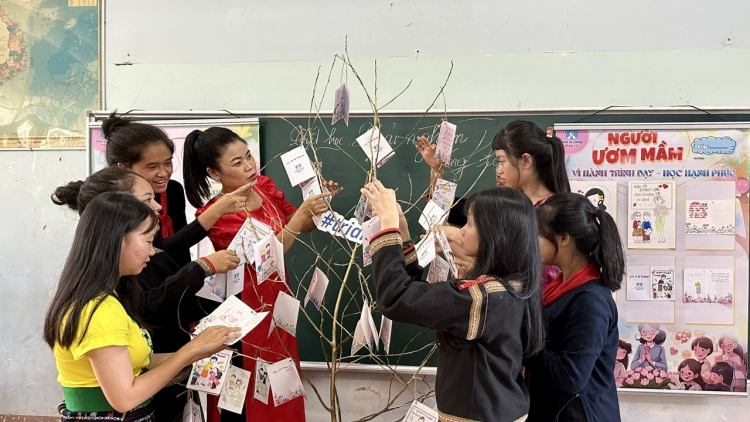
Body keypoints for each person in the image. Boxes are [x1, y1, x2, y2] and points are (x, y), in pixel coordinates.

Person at [51, 167, 241, 422]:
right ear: (117, 239)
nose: (152, 253)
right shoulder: (98, 310)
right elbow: (125, 398)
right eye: (149, 242)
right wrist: (191, 351)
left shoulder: (111, 298)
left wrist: (201, 351)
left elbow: (139, 361)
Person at [183, 126, 339, 422]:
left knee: (282, 384)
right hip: (244, 312)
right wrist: (303, 215)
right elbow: (264, 256)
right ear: (214, 173)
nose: (249, 166)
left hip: (277, 305)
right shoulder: (216, 213)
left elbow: (300, 224)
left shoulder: (265, 187)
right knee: (247, 391)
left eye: (248, 156)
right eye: (237, 163)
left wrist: (317, 208)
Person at [361, 181, 545, 421]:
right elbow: (416, 295)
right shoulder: (510, 287)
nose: (462, 231)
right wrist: (404, 239)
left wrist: (388, 227)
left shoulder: (481, 297)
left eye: (469, 223)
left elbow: (396, 298)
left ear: (493, 234)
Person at [416, 120, 569, 284]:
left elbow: (513, 263)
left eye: (502, 161)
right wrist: (437, 171)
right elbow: (446, 208)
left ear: (526, 161)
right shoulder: (513, 206)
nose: (498, 171)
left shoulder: (548, 212)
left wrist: (452, 234)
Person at [102, 113, 253, 267]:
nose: (164, 172)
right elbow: (157, 250)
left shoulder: (173, 190)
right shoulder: (115, 208)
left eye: (167, 163)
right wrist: (215, 212)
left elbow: (181, 248)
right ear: (124, 168)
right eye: (152, 167)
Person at [525, 192, 623, 421]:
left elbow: (572, 375)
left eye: (537, 234)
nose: (531, 242)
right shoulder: (562, 288)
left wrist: (522, 345)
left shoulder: (591, 299)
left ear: (563, 238)